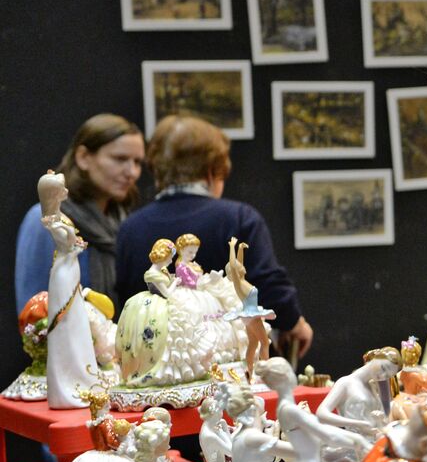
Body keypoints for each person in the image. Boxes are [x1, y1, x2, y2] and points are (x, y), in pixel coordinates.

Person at [114, 115, 313, 359]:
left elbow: (126, 302)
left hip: (154, 367)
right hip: (228, 364)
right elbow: (267, 286)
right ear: (211, 171)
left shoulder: (129, 228)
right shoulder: (240, 218)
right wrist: (295, 323)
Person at [14, 114, 144, 312]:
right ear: (84, 157)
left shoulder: (126, 222)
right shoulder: (47, 220)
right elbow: (34, 313)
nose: (132, 172)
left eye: (137, 162)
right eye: (120, 159)